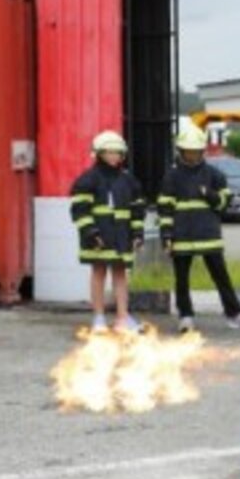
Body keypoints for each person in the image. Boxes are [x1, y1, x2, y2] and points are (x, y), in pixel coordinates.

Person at [158, 125, 240, 332]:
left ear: (202, 151)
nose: (193, 155)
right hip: (182, 235)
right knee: (182, 279)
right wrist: (166, 236)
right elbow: (165, 208)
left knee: (221, 277)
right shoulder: (172, 176)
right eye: (189, 151)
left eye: (196, 151)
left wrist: (210, 195)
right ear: (181, 151)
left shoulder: (215, 175)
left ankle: (235, 314)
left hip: (208, 235)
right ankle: (185, 317)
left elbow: (224, 204)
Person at [70, 131, 146, 333]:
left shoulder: (129, 181)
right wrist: (91, 233)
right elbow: (80, 210)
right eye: (109, 153)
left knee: (120, 274)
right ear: (98, 154)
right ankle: (99, 319)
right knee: (98, 272)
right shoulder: (87, 180)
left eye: (117, 153)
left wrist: (138, 233)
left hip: (122, 237)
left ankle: (123, 318)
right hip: (99, 237)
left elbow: (137, 210)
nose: (114, 157)